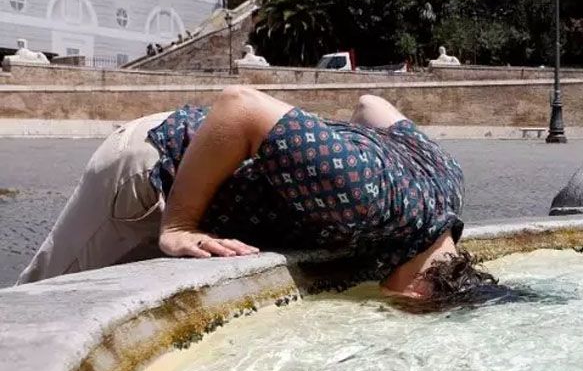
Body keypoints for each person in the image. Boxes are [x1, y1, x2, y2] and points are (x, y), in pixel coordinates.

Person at [17, 88, 496, 308]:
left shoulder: (447, 184)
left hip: (203, 164)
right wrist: (180, 225)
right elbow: (239, 104)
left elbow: (371, 105)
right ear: (419, 290)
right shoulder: (362, 197)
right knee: (41, 306)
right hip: (148, 166)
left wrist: (316, 144)